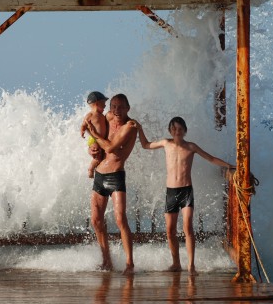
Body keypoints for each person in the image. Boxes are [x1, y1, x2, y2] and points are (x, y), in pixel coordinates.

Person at [138, 116, 234, 274]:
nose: (177, 131)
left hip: (186, 191)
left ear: (185, 131)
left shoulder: (191, 146)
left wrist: (228, 165)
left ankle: (191, 265)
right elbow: (145, 145)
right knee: (170, 230)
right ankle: (176, 263)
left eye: (180, 129)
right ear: (170, 130)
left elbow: (210, 158)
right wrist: (140, 129)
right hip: (171, 192)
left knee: (187, 228)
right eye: (174, 129)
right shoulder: (165, 143)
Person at [85, 93, 138, 275]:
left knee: (120, 219)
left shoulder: (129, 126)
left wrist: (94, 134)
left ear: (128, 108)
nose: (116, 110)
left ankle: (130, 263)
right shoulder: (108, 117)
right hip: (100, 173)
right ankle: (106, 260)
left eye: (121, 107)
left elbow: (109, 147)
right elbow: (93, 123)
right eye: (113, 106)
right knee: (96, 219)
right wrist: (91, 146)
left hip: (116, 176)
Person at [80, 91, 110, 178]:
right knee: (97, 155)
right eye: (103, 103)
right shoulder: (90, 115)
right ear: (97, 103)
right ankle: (91, 169)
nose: (105, 106)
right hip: (94, 140)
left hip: (99, 140)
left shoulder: (102, 115)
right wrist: (82, 131)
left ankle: (97, 169)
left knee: (100, 156)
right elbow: (83, 125)